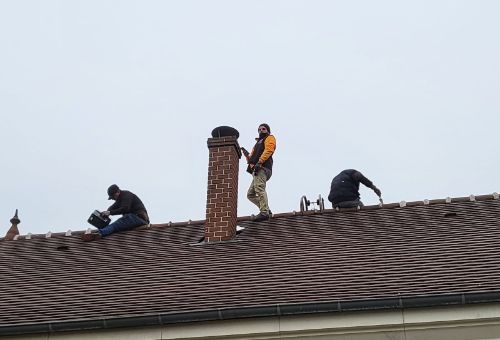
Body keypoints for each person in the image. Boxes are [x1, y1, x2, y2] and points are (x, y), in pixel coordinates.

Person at [82, 184, 150, 241]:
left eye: (113, 197)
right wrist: (106, 213)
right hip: (136, 219)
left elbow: (125, 209)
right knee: (117, 226)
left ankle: (100, 233)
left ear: (117, 192)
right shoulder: (120, 199)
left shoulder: (127, 195)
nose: (113, 199)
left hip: (138, 218)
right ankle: (104, 231)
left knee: (116, 225)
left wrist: (109, 213)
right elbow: (112, 208)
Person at [242, 123, 276, 222]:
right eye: (259, 129)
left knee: (259, 188)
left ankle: (264, 212)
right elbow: (251, 159)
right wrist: (247, 155)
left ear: (268, 130)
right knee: (250, 194)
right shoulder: (257, 144)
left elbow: (269, 150)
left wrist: (260, 162)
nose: (261, 130)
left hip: (263, 168)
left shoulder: (269, 138)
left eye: (263, 129)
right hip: (257, 170)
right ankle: (266, 209)